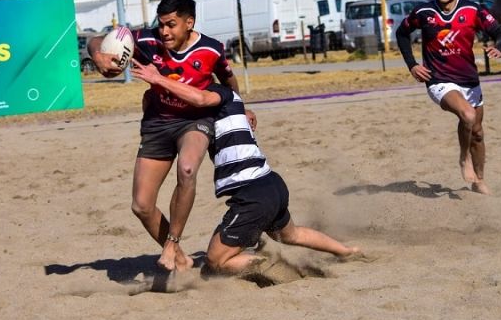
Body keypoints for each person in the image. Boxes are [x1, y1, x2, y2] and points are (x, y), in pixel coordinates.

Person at [130, 60, 359, 275]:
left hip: (252, 194)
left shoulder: (215, 95)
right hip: (271, 183)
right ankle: (346, 251)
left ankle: (278, 268)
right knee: (292, 234)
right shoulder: (224, 104)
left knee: (215, 260)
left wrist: (159, 80)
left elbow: (198, 97)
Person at [88, 0, 254, 271]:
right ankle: (181, 259)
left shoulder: (211, 49)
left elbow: (227, 79)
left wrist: (241, 107)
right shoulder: (146, 40)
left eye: (171, 24)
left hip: (195, 121)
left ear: (189, 23)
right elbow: (95, 40)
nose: (164, 31)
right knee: (141, 205)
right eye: (161, 24)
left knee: (187, 169)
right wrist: (98, 57)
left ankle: (172, 243)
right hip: (157, 123)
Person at [395, 0, 501, 195]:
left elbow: (499, 33)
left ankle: (479, 180)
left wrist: (499, 47)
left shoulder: (472, 10)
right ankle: (463, 158)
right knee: (467, 114)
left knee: (477, 131)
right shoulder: (424, 12)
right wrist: (412, 65)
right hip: (439, 81)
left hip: (469, 80)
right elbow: (402, 33)